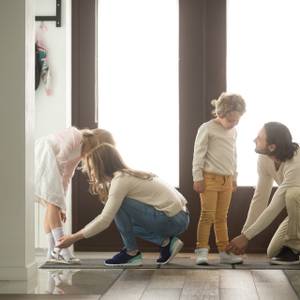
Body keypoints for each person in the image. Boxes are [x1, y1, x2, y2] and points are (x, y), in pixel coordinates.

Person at [57, 143, 190, 266]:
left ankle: (131, 253)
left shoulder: (121, 180)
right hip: (181, 217)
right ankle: (166, 242)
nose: (91, 173)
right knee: (126, 222)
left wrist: (73, 238)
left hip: (174, 220)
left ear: (102, 166)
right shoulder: (128, 175)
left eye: (92, 168)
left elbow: (104, 220)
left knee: (119, 206)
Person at [35, 127, 115, 264]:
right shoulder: (75, 135)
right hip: (43, 153)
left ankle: (52, 253)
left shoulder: (80, 154)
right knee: (53, 202)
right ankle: (64, 251)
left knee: (53, 204)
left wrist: (62, 205)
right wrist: (58, 200)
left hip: (51, 163)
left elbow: (67, 176)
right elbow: (60, 159)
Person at [227, 122, 300, 264]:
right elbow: (260, 198)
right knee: (273, 252)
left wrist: (246, 237)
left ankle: (294, 249)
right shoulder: (264, 158)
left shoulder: (296, 163)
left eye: (259, 138)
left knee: (292, 194)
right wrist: (245, 234)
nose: (254, 140)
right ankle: (294, 246)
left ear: (272, 147)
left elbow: (276, 204)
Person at [192, 92, 246, 265]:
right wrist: (197, 177)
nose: (233, 124)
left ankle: (224, 251)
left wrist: (235, 177)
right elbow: (198, 155)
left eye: (237, 120)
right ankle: (201, 250)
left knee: (222, 217)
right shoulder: (207, 128)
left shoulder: (233, 131)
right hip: (210, 179)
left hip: (227, 180)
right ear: (219, 114)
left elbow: (234, 155)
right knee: (207, 215)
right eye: (230, 120)